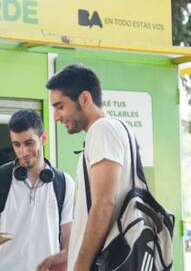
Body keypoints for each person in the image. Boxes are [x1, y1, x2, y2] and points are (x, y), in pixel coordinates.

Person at [46, 64, 136, 271]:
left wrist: (80, 267)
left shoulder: (102, 129)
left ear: (85, 99)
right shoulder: (118, 128)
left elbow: (103, 205)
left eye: (60, 106)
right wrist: (68, 255)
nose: (56, 117)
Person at [0, 109, 75, 271]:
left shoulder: (65, 183)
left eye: (29, 143)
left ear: (43, 138)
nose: (23, 152)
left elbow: (68, 244)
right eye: (16, 144)